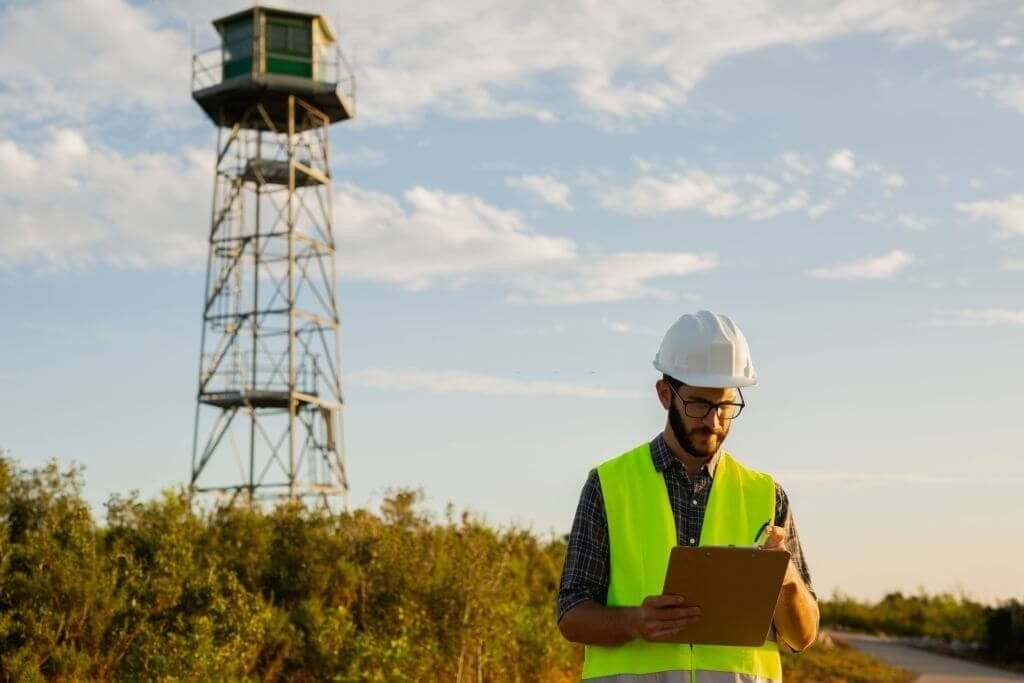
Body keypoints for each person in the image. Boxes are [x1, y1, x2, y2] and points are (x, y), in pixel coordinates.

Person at [557, 310, 819, 682]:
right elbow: (571, 615)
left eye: (725, 405)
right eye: (699, 404)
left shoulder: (766, 495)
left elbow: (802, 636)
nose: (713, 421)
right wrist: (635, 622)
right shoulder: (609, 484)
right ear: (665, 395)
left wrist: (787, 576)